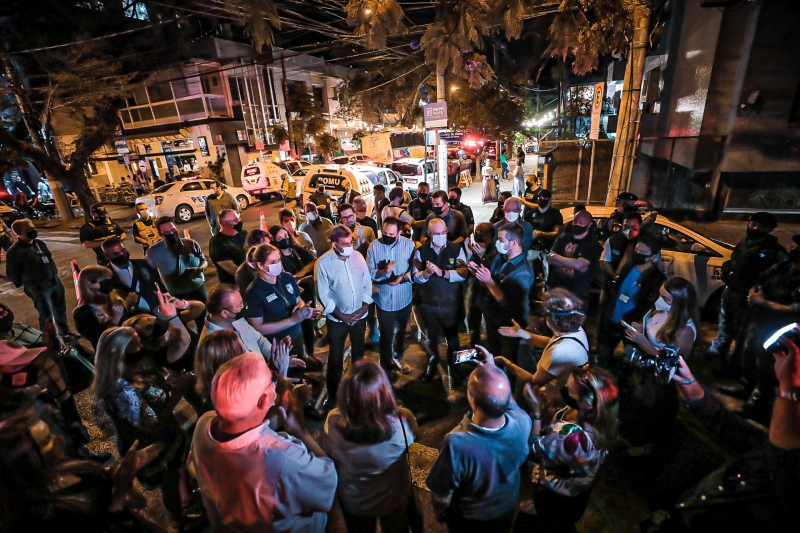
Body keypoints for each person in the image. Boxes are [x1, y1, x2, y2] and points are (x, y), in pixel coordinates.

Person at [188, 352, 337, 532]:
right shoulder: (283, 458)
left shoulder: (204, 423)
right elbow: (327, 482)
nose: (275, 387)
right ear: (264, 399)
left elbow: (252, 427)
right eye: (271, 383)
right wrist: (301, 432)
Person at [92, 325, 195, 521]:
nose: (142, 347)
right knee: (168, 484)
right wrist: (179, 392)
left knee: (176, 472)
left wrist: (168, 385)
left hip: (168, 435)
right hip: (151, 445)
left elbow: (151, 383)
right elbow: (149, 424)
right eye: (136, 345)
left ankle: (185, 498)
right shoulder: (119, 388)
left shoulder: (131, 364)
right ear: (119, 351)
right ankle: (178, 520)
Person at [426, 350, 531, 532]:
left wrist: (439, 513)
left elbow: (441, 496)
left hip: (470, 518)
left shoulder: (456, 443)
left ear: (472, 401)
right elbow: (510, 403)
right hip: (506, 507)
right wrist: (492, 369)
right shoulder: (523, 420)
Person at [322, 359, 420, 533]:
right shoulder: (403, 419)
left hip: (355, 501)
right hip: (394, 499)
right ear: (384, 390)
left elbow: (331, 458)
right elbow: (417, 447)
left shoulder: (334, 421)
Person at [519, 366, 619, 533]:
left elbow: (534, 450)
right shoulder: (603, 412)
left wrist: (536, 411)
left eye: (570, 391)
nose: (564, 391)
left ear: (586, 403)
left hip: (558, 497)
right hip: (579, 488)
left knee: (552, 522)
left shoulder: (570, 437)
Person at [620, 277, 697, 453]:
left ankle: (652, 444)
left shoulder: (684, 330)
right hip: (645, 371)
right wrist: (641, 329)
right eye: (660, 295)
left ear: (679, 302)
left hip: (661, 381)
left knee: (655, 412)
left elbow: (678, 363)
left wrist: (645, 344)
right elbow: (652, 330)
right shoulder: (658, 313)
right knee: (640, 407)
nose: (659, 300)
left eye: (666, 298)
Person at [734, 235, 800, 422]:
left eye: (797, 246)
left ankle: (759, 406)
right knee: (750, 355)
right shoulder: (784, 264)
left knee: (767, 366)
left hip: (781, 328)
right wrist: (754, 293)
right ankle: (747, 388)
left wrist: (763, 301)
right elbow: (762, 277)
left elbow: (794, 308)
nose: (792, 247)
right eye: (793, 244)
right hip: (760, 318)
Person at [709, 212, 785, 365]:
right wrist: (728, 272)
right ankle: (717, 356)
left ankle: (736, 366)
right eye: (753, 224)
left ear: (769, 230)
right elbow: (734, 261)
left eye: (761, 227)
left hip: (748, 298)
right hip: (731, 291)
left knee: (742, 334)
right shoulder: (745, 242)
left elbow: (774, 279)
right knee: (725, 326)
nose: (755, 228)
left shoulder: (774, 251)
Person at [315, 225, 373, 409]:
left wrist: (364, 306)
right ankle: (333, 395)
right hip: (337, 320)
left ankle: (358, 388)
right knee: (336, 357)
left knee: (358, 352)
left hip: (359, 316)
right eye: (345, 243)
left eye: (351, 242)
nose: (350, 246)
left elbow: (366, 281)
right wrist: (341, 316)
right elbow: (323, 294)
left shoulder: (357, 256)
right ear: (335, 244)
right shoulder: (323, 264)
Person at [496, 288, 590, 392]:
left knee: (529, 391)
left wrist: (505, 361)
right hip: (570, 383)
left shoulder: (558, 351)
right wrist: (523, 334)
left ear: (551, 321)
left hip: (561, 395)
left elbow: (533, 381)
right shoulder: (575, 329)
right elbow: (551, 342)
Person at [199, 285, 296, 385]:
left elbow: (259, 340)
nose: (245, 306)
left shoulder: (233, 319)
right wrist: (275, 368)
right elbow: (243, 382)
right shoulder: (215, 346)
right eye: (240, 305)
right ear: (224, 313)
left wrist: (277, 355)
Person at [469, 222, 535, 361]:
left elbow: (508, 303)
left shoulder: (522, 273)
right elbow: (492, 280)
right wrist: (480, 274)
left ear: (513, 243)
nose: (496, 243)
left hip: (509, 325)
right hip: (493, 318)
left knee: (508, 359)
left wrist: (489, 282)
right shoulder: (501, 258)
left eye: (500, 240)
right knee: (494, 354)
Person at [597, 235, 666, 365]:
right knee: (604, 355)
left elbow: (650, 304)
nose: (637, 253)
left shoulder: (656, 279)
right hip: (611, 320)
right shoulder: (628, 267)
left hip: (631, 325)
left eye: (642, 252)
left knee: (633, 359)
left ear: (652, 256)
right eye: (636, 250)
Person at [413, 218, 468, 381]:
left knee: (453, 339)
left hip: (451, 304)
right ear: (429, 234)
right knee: (430, 339)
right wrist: (426, 274)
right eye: (436, 233)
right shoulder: (420, 252)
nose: (441, 236)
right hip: (429, 305)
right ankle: (432, 363)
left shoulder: (456, 249)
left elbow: (464, 272)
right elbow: (414, 277)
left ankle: (456, 366)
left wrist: (441, 272)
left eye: (443, 233)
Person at [243, 244, 317, 361]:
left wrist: (304, 310)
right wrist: (292, 320)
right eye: (272, 262)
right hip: (276, 345)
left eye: (278, 260)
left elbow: (298, 300)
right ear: (260, 265)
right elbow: (257, 327)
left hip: (296, 336)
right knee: (283, 376)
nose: (277, 265)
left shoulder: (287, 277)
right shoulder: (254, 292)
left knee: (298, 371)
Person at [6, 219, 76, 340]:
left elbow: (48, 258)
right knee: (46, 314)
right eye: (29, 229)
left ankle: (65, 333)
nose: (33, 231)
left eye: (33, 227)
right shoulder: (14, 251)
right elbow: (12, 273)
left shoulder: (39, 243)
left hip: (54, 281)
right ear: (19, 233)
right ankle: (49, 340)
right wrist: (29, 283)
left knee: (60, 309)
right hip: (38, 287)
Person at [367, 216, 416, 375]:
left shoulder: (409, 245)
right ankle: (385, 364)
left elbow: (414, 270)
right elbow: (368, 272)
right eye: (384, 233)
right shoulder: (374, 247)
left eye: (391, 234)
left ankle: (398, 357)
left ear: (399, 232)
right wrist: (384, 272)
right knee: (386, 334)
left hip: (404, 297)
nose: (386, 237)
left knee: (402, 331)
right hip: (384, 299)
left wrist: (402, 278)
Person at [268, 225, 321, 363]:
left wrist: (300, 274)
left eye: (285, 236)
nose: (284, 240)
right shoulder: (276, 258)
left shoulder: (296, 250)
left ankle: (310, 352)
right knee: (295, 329)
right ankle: (296, 359)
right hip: (289, 299)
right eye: (279, 238)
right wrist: (293, 282)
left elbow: (313, 261)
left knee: (309, 323)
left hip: (306, 293)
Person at [547, 210, 603, 308]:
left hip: (577, 293)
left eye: (581, 223)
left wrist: (556, 257)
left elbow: (579, 264)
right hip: (557, 289)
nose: (577, 224)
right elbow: (550, 259)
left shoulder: (592, 244)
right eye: (575, 221)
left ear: (589, 224)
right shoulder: (563, 238)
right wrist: (574, 263)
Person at [146, 216, 208, 305]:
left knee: (203, 314)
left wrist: (200, 269)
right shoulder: (153, 252)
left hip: (198, 288)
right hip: (176, 294)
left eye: (173, 230)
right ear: (160, 234)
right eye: (166, 232)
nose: (171, 233)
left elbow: (204, 261)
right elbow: (148, 275)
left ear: (176, 226)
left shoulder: (191, 244)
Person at [72, 265, 128, 349]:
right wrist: (115, 320)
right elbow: (99, 338)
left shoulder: (115, 296)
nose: (109, 282)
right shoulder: (82, 313)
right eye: (105, 279)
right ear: (91, 283)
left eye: (109, 278)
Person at [466, 223, 498, 347]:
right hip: (474, 292)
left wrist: (482, 257)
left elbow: (494, 272)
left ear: (489, 235)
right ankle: (473, 347)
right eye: (476, 232)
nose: (477, 235)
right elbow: (469, 268)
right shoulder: (476, 248)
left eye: (481, 233)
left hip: (488, 294)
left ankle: (492, 353)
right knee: (473, 323)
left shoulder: (495, 250)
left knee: (491, 326)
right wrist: (470, 255)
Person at [599, 211, 643, 281]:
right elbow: (604, 262)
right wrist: (615, 277)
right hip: (611, 284)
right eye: (626, 227)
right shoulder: (613, 240)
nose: (629, 230)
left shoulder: (645, 243)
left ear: (640, 226)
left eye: (633, 227)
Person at [209, 209, 247, 285]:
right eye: (235, 220)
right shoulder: (217, 243)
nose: (239, 222)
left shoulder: (243, 233)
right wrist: (251, 278)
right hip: (233, 284)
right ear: (225, 224)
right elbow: (232, 269)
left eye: (239, 218)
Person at [236, 229, 271, 295]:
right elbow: (247, 299)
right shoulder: (243, 272)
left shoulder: (273, 261)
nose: (270, 248)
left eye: (269, 244)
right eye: (265, 245)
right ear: (253, 247)